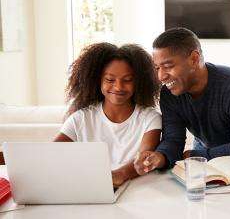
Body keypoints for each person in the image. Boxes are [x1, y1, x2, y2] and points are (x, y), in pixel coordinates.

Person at [133, 27, 230, 173]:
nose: (161, 76)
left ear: (194, 59)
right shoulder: (169, 94)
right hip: (205, 154)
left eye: (168, 66)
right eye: (157, 68)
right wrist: (159, 156)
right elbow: (173, 139)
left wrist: (192, 155)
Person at [54, 42, 161, 187]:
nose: (118, 87)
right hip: (89, 188)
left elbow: (144, 158)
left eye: (127, 80)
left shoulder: (150, 118)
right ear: (97, 81)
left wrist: (119, 175)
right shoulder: (80, 119)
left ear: (138, 82)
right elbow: (51, 156)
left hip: (136, 190)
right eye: (110, 80)